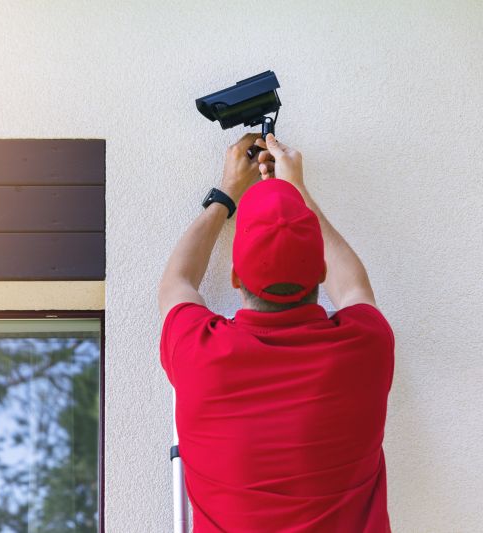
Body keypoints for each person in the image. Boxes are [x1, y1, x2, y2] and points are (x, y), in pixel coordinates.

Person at [157, 133, 395, 532]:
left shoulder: (199, 352)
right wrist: (297, 191)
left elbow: (176, 282)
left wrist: (225, 193)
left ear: (235, 277)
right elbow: (353, 288)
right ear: (320, 272)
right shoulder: (366, 347)